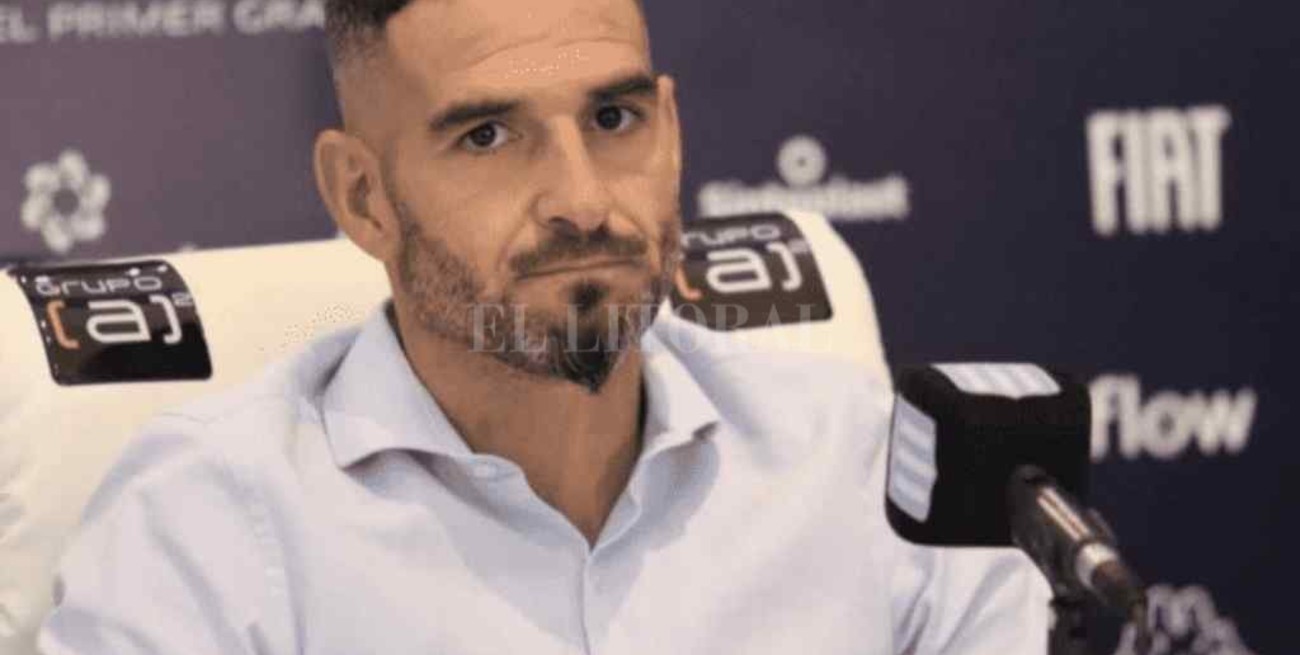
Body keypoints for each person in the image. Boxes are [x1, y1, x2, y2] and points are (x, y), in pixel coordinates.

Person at [38, 0, 1049, 652]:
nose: (581, 200)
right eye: (487, 135)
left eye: (613, 121)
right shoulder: (209, 528)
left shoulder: (864, 466)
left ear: (670, 132)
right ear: (361, 197)